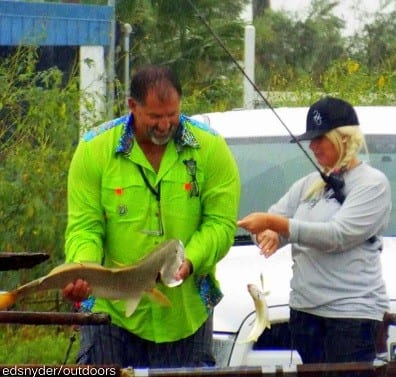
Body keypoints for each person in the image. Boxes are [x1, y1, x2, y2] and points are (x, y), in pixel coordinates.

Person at [62, 65, 241, 368]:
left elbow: (220, 224)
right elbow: (85, 227)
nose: (165, 125)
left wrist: (191, 259)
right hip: (111, 313)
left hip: (186, 314)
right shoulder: (94, 149)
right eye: (155, 117)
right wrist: (83, 269)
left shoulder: (211, 148)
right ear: (132, 106)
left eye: (172, 114)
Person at [238, 96, 391, 366]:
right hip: (304, 314)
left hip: (350, 316)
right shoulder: (309, 183)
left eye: (320, 138)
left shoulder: (372, 184)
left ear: (344, 138)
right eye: (311, 139)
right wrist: (269, 233)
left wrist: (275, 225)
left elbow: (337, 235)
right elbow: (271, 220)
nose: (313, 146)